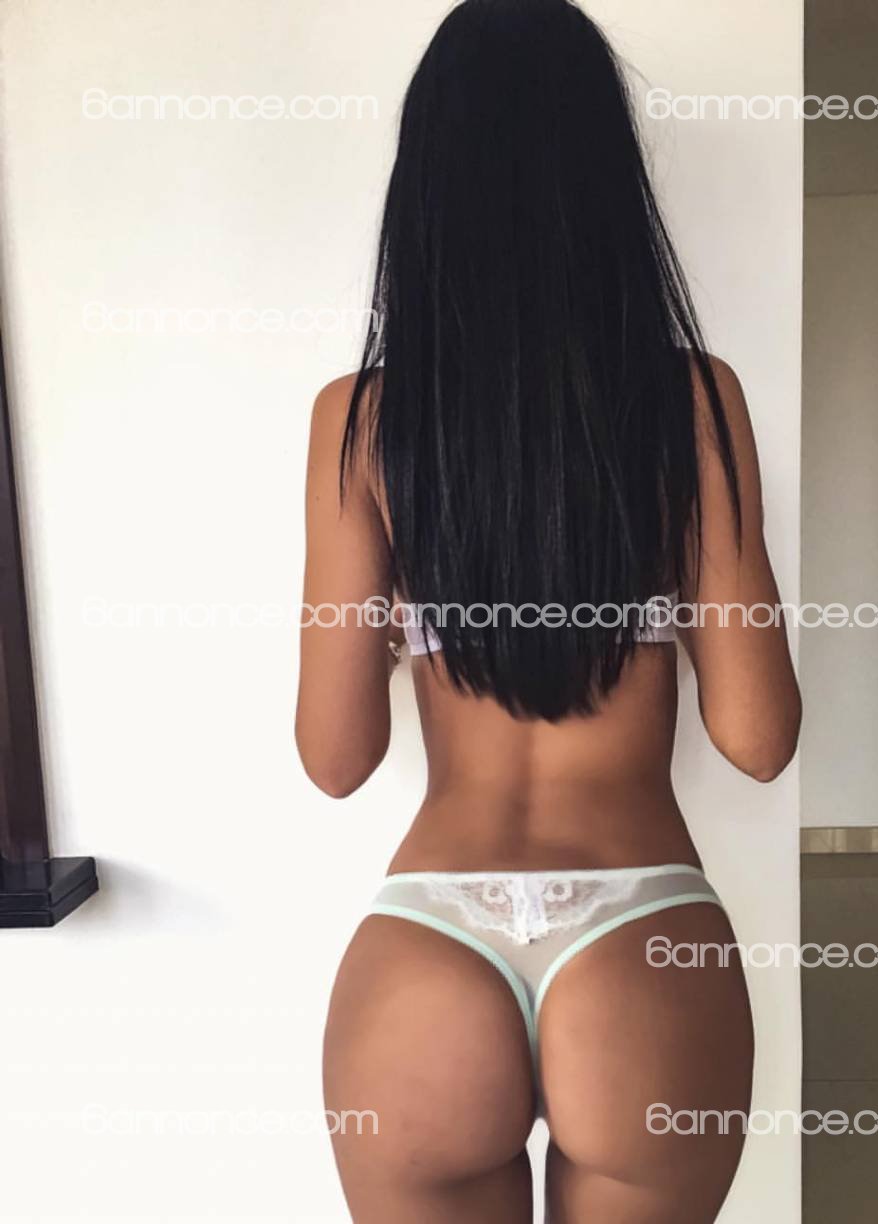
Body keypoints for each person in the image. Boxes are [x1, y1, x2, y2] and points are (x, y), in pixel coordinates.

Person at [296, 2, 801, 1220]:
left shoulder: (360, 423)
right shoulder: (694, 403)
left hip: (429, 947)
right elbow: (757, 736)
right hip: (642, 943)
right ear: (607, 186)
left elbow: (335, 757)